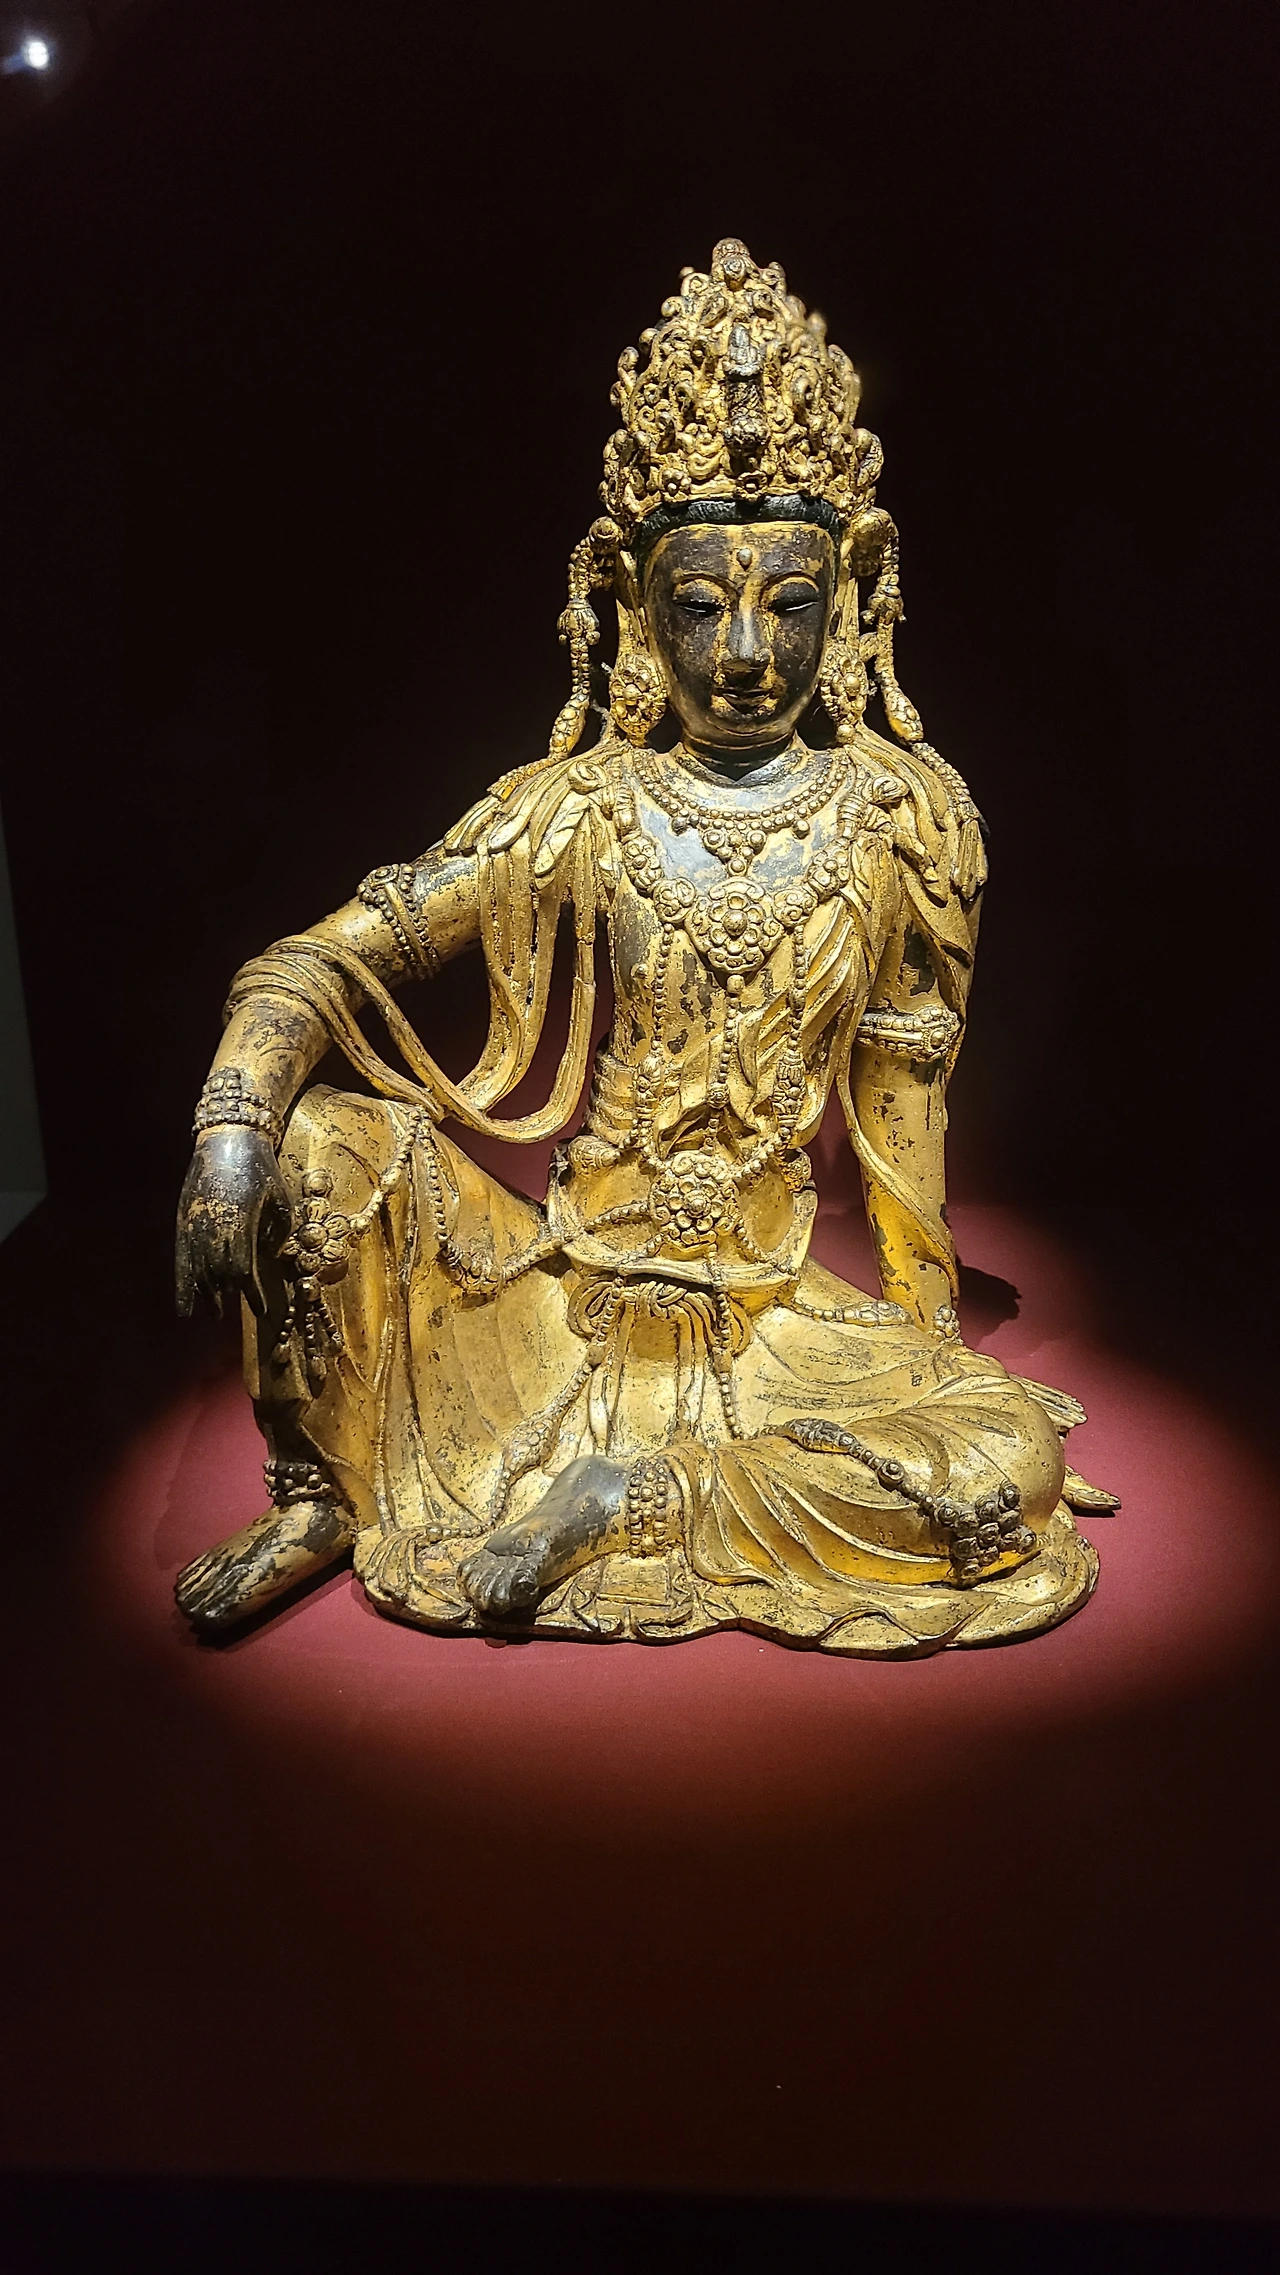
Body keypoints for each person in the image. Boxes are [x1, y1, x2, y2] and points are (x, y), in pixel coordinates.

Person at [174, 239, 1113, 1654]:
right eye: (698, 604)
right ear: (628, 600)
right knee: (322, 1145)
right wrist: (235, 1119)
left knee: (998, 1475)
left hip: (766, 1322)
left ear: (855, 590)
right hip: (560, 1293)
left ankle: (637, 1498)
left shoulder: (901, 820)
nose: (742, 652)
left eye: (787, 603)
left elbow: (902, 1114)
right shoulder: (579, 807)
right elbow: (319, 961)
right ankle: (321, 1490)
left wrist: (928, 1366)